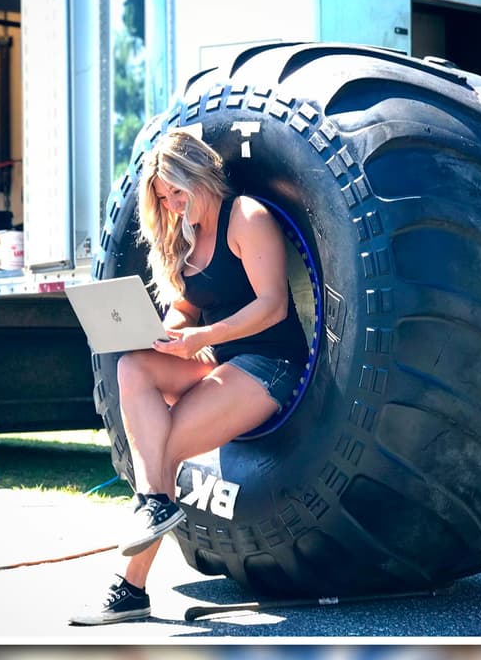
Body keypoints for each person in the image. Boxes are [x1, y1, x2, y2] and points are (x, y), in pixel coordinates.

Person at [69, 130, 308, 626]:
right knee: (132, 364)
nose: (174, 204)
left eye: (179, 191)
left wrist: (201, 338)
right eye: (164, 197)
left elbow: (273, 306)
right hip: (219, 357)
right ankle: (152, 503)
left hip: (270, 364)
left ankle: (130, 585)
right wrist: (165, 332)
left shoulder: (246, 217)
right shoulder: (189, 233)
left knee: (165, 445)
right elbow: (187, 305)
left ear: (201, 175)